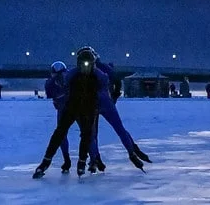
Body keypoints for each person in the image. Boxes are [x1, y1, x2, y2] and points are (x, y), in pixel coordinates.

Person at [33, 47, 144, 179]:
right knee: (85, 134)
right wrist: (113, 95)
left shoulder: (94, 73)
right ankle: (91, 160)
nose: (85, 68)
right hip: (83, 106)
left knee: (88, 134)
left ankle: (90, 160)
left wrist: (113, 95)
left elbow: (109, 80)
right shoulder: (81, 73)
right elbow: (113, 79)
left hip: (90, 106)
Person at [92, 50, 151, 173]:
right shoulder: (105, 68)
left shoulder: (84, 71)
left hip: (93, 104)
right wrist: (114, 96)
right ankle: (132, 151)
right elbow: (117, 81)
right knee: (119, 129)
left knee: (92, 134)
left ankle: (95, 158)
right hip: (106, 102)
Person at [44, 61, 72, 173]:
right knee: (86, 132)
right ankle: (91, 159)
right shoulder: (70, 76)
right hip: (77, 106)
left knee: (61, 135)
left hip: (63, 109)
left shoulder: (51, 82)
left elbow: (49, 94)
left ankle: (67, 160)